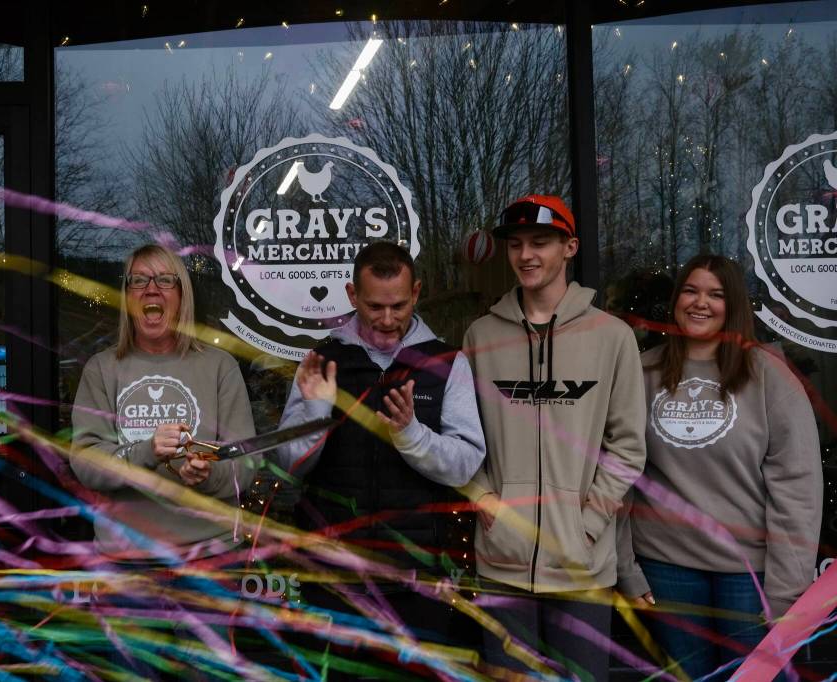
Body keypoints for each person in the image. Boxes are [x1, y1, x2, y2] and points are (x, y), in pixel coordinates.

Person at [463, 195, 646, 679]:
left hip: (581, 565)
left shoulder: (612, 337)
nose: (526, 255)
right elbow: (462, 436)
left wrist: (587, 524)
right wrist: (484, 500)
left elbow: (628, 445)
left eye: (540, 243)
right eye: (516, 244)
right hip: (503, 560)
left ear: (570, 247)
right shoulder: (481, 336)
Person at [270, 241, 486, 654]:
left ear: (417, 293)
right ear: (353, 296)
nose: (387, 320)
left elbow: (465, 466)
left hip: (417, 577)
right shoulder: (321, 361)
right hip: (335, 577)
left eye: (399, 306)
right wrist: (317, 413)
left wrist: (412, 435)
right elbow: (288, 465)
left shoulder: (446, 363)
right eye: (374, 307)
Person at [616, 254, 822, 679]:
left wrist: (787, 592)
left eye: (716, 294)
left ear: (735, 305)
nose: (700, 303)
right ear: (676, 300)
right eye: (690, 290)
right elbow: (620, 473)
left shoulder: (768, 375)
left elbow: (797, 486)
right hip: (665, 566)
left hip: (749, 574)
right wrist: (627, 571)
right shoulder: (643, 371)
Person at [70, 244, 258, 563]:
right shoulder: (101, 369)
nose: (151, 290)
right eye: (139, 281)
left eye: (165, 280)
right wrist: (146, 452)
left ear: (182, 296)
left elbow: (246, 464)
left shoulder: (219, 367)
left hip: (210, 557)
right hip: (126, 561)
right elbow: (85, 463)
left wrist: (208, 474)